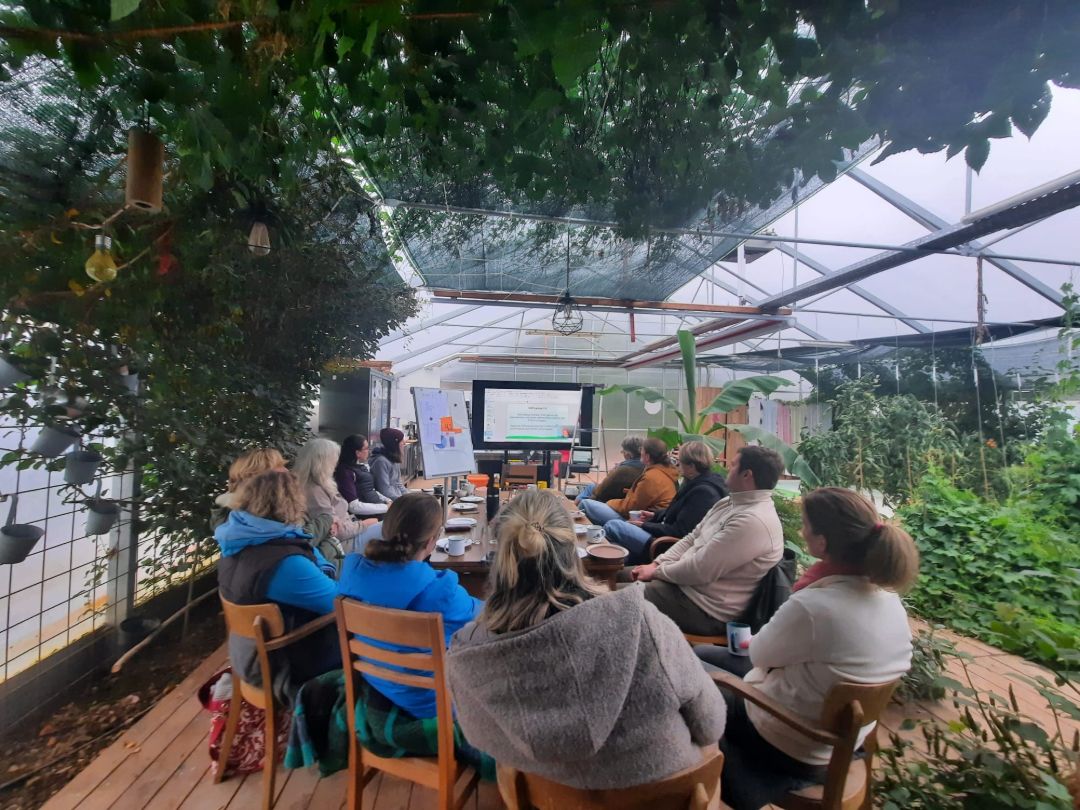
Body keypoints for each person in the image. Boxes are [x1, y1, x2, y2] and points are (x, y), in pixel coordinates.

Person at [446, 489, 726, 790]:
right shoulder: (642, 622)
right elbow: (710, 725)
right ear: (572, 551)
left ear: (500, 557)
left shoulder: (469, 652)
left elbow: (480, 739)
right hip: (662, 795)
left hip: (542, 798)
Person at [698, 487, 919, 810]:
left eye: (805, 525)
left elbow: (758, 654)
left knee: (690, 676)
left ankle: (704, 779)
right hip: (843, 738)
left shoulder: (816, 605)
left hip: (789, 744)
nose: (802, 532)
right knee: (703, 655)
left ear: (822, 542)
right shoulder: (889, 600)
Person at [337, 493, 482, 718]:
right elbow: (487, 617)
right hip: (431, 702)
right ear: (431, 541)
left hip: (376, 684)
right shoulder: (439, 591)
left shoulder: (351, 573)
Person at [628, 445, 784, 636]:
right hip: (683, 585)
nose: (727, 468)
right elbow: (692, 538)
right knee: (616, 575)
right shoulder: (729, 503)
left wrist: (656, 571)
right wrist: (657, 563)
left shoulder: (753, 521)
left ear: (746, 475)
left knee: (613, 597)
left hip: (704, 608)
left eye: (733, 465)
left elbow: (700, 569)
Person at [215, 470, 340, 699]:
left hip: (245, 654)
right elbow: (339, 602)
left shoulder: (235, 541)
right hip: (279, 665)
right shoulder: (285, 562)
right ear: (291, 504)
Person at [602, 441, 728, 564]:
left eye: (680, 463)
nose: (677, 466)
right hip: (662, 533)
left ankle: (617, 563)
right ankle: (619, 563)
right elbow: (680, 512)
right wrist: (655, 515)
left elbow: (680, 531)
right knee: (617, 539)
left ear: (691, 466)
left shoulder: (703, 493)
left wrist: (644, 525)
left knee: (612, 525)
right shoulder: (698, 483)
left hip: (666, 545)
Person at [210, 447, 333, 544]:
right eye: (278, 466)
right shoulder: (253, 513)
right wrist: (326, 521)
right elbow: (296, 542)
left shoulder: (248, 508)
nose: (286, 471)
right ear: (260, 475)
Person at [580, 437, 678, 526]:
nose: (640, 452)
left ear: (647, 456)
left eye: (642, 450)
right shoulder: (665, 471)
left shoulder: (651, 477)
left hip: (644, 521)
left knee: (586, 504)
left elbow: (630, 508)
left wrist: (610, 502)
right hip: (654, 518)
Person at [293, 437, 365, 556]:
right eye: (333, 460)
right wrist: (364, 524)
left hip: (349, 532)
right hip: (341, 544)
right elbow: (335, 532)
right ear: (323, 463)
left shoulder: (321, 484)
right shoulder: (314, 491)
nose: (336, 464)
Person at [573, 436, 644, 504]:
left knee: (590, 487)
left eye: (623, 451)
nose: (622, 452)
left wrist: (613, 471)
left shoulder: (622, 470)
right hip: (625, 498)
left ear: (628, 454)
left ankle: (573, 508)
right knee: (592, 487)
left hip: (610, 501)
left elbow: (601, 490)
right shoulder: (644, 467)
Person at [334, 434, 390, 518]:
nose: (369, 451)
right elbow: (354, 507)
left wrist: (387, 500)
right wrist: (385, 507)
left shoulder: (360, 466)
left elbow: (370, 489)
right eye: (366, 448)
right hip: (368, 517)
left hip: (379, 509)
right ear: (358, 453)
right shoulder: (345, 473)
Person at [370, 427, 409, 501]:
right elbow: (384, 490)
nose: (404, 443)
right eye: (402, 441)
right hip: (390, 501)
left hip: (398, 498)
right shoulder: (381, 462)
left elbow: (398, 484)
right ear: (394, 444)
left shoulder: (394, 459)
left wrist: (410, 497)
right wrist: (402, 501)